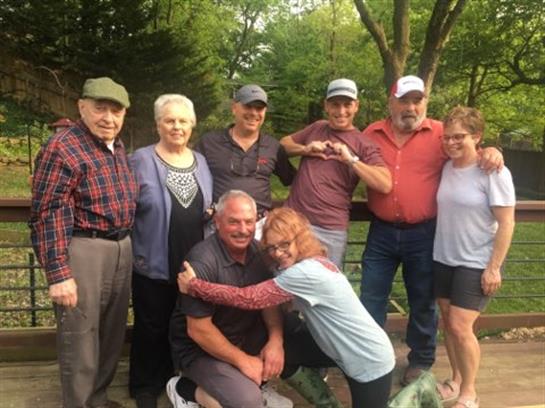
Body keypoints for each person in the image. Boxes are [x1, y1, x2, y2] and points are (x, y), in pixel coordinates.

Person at [359, 75, 504, 386]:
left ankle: (421, 361)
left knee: (423, 300)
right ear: (391, 102)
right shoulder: (371, 133)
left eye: (418, 100)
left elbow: (468, 149)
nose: (411, 107)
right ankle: (372, 358)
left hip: (424, 233)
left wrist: (490, 150)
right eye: (404, 100)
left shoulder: (441, 133)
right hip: (381, 232)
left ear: (425, 102)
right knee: (371, 296)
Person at [178, 207, 396, 408]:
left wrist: (196, 286)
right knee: (284, 354)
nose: (278, 253)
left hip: (368, 359)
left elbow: (250, 298)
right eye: (271, 247)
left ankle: (415, 390)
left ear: (299, 239)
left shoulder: (305, 273)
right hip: (337, 348)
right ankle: (327, 404)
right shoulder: (308, 261)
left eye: (284, 244)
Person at [168, 191, 340, 408]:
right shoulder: (201, 262)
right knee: (248, 401)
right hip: (202, 349)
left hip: (245, 333)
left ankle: (257, 384)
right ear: (217, 222)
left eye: (249, 222)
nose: (243, 230)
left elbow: (267, 301)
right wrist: (244, 361)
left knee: (291, 329)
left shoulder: (260, 251)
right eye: (234, 222)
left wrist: (275, 342)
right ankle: (184, 389)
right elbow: (198, 331)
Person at [29, 77, 137, 408]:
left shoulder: (117, 146)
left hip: (121, 246)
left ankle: (97, 400)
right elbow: (47, 213)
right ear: (82, 107)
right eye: (100, 109)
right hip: (83, 247)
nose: (108, 118)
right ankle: (79, 403)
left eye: (116, 111)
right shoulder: (62, 147)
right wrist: (59, 273)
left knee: (111, 332)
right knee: (80, 336)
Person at [128, 94, 213, 408]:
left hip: (192, 261)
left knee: (183, 325)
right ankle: (144, 387)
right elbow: (125, 206)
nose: (177, 126)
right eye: (170, 120)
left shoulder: (200, 161)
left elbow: (206, 204)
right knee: (151, 325)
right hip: (153, 257)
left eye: (183, 121)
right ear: (158, 125)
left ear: (192, 125)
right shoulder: (140, 159)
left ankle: (174, 379)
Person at [433, 107, 515, 408]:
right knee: (447, 321)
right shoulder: (447, 167)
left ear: (477, 136)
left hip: (477, 261)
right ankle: (455, 380)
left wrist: (494, 268)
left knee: (460, 325)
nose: (451, 142)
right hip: (444, 257)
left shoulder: (493, 171)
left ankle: (470, 393)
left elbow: (507, 222)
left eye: (459, 137)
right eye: (447, 137)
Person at [280, 78, 391, 269]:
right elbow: (282, 145)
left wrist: (351, 160)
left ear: (356, 106)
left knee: (326, 283)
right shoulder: (317, 128)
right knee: (284, 280)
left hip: (330, 230)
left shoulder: (363, 143)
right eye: (335, 105)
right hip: (293, 222)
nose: (341, 111)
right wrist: (306, 149)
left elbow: (385, 184)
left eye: (347, 105)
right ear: (326, 106)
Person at [195, 84, 296, 238]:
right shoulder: (209, 143)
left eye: (259, 108)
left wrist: (307, 151)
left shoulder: (273, 147)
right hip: (219, 225)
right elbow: (191, 179)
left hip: (259, 227)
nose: (254, 113)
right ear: (234, 108)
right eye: (248, 106)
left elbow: (294, 180)